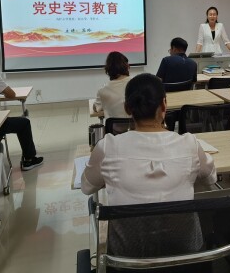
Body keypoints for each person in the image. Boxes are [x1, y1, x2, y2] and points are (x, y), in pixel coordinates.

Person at [82, 73, 217, 257]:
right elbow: (211, 178)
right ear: (164, 105)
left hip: (127, 259)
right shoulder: (189, 143)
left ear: (127, 108)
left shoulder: (107, 147)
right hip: (184, 256)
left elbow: (87, 187)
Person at [93, 51, 131, 120]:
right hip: (137, 126)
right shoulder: (139, 84)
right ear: (127, 66)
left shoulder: (103, 91)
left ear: (108, 69)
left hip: (114, 127)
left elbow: (96, 108)